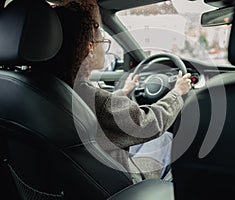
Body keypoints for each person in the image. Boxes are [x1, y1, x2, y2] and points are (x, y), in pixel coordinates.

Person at [45, 0, 191, 181]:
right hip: (123, 182)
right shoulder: (91, 96)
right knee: (165, 140)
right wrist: (177, 93)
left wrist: (122, 92)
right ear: (89, 48)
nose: (103, 47)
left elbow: (98, 110)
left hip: (82, 177)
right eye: (102, 41)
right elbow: (148, 123)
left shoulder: (44, 87)